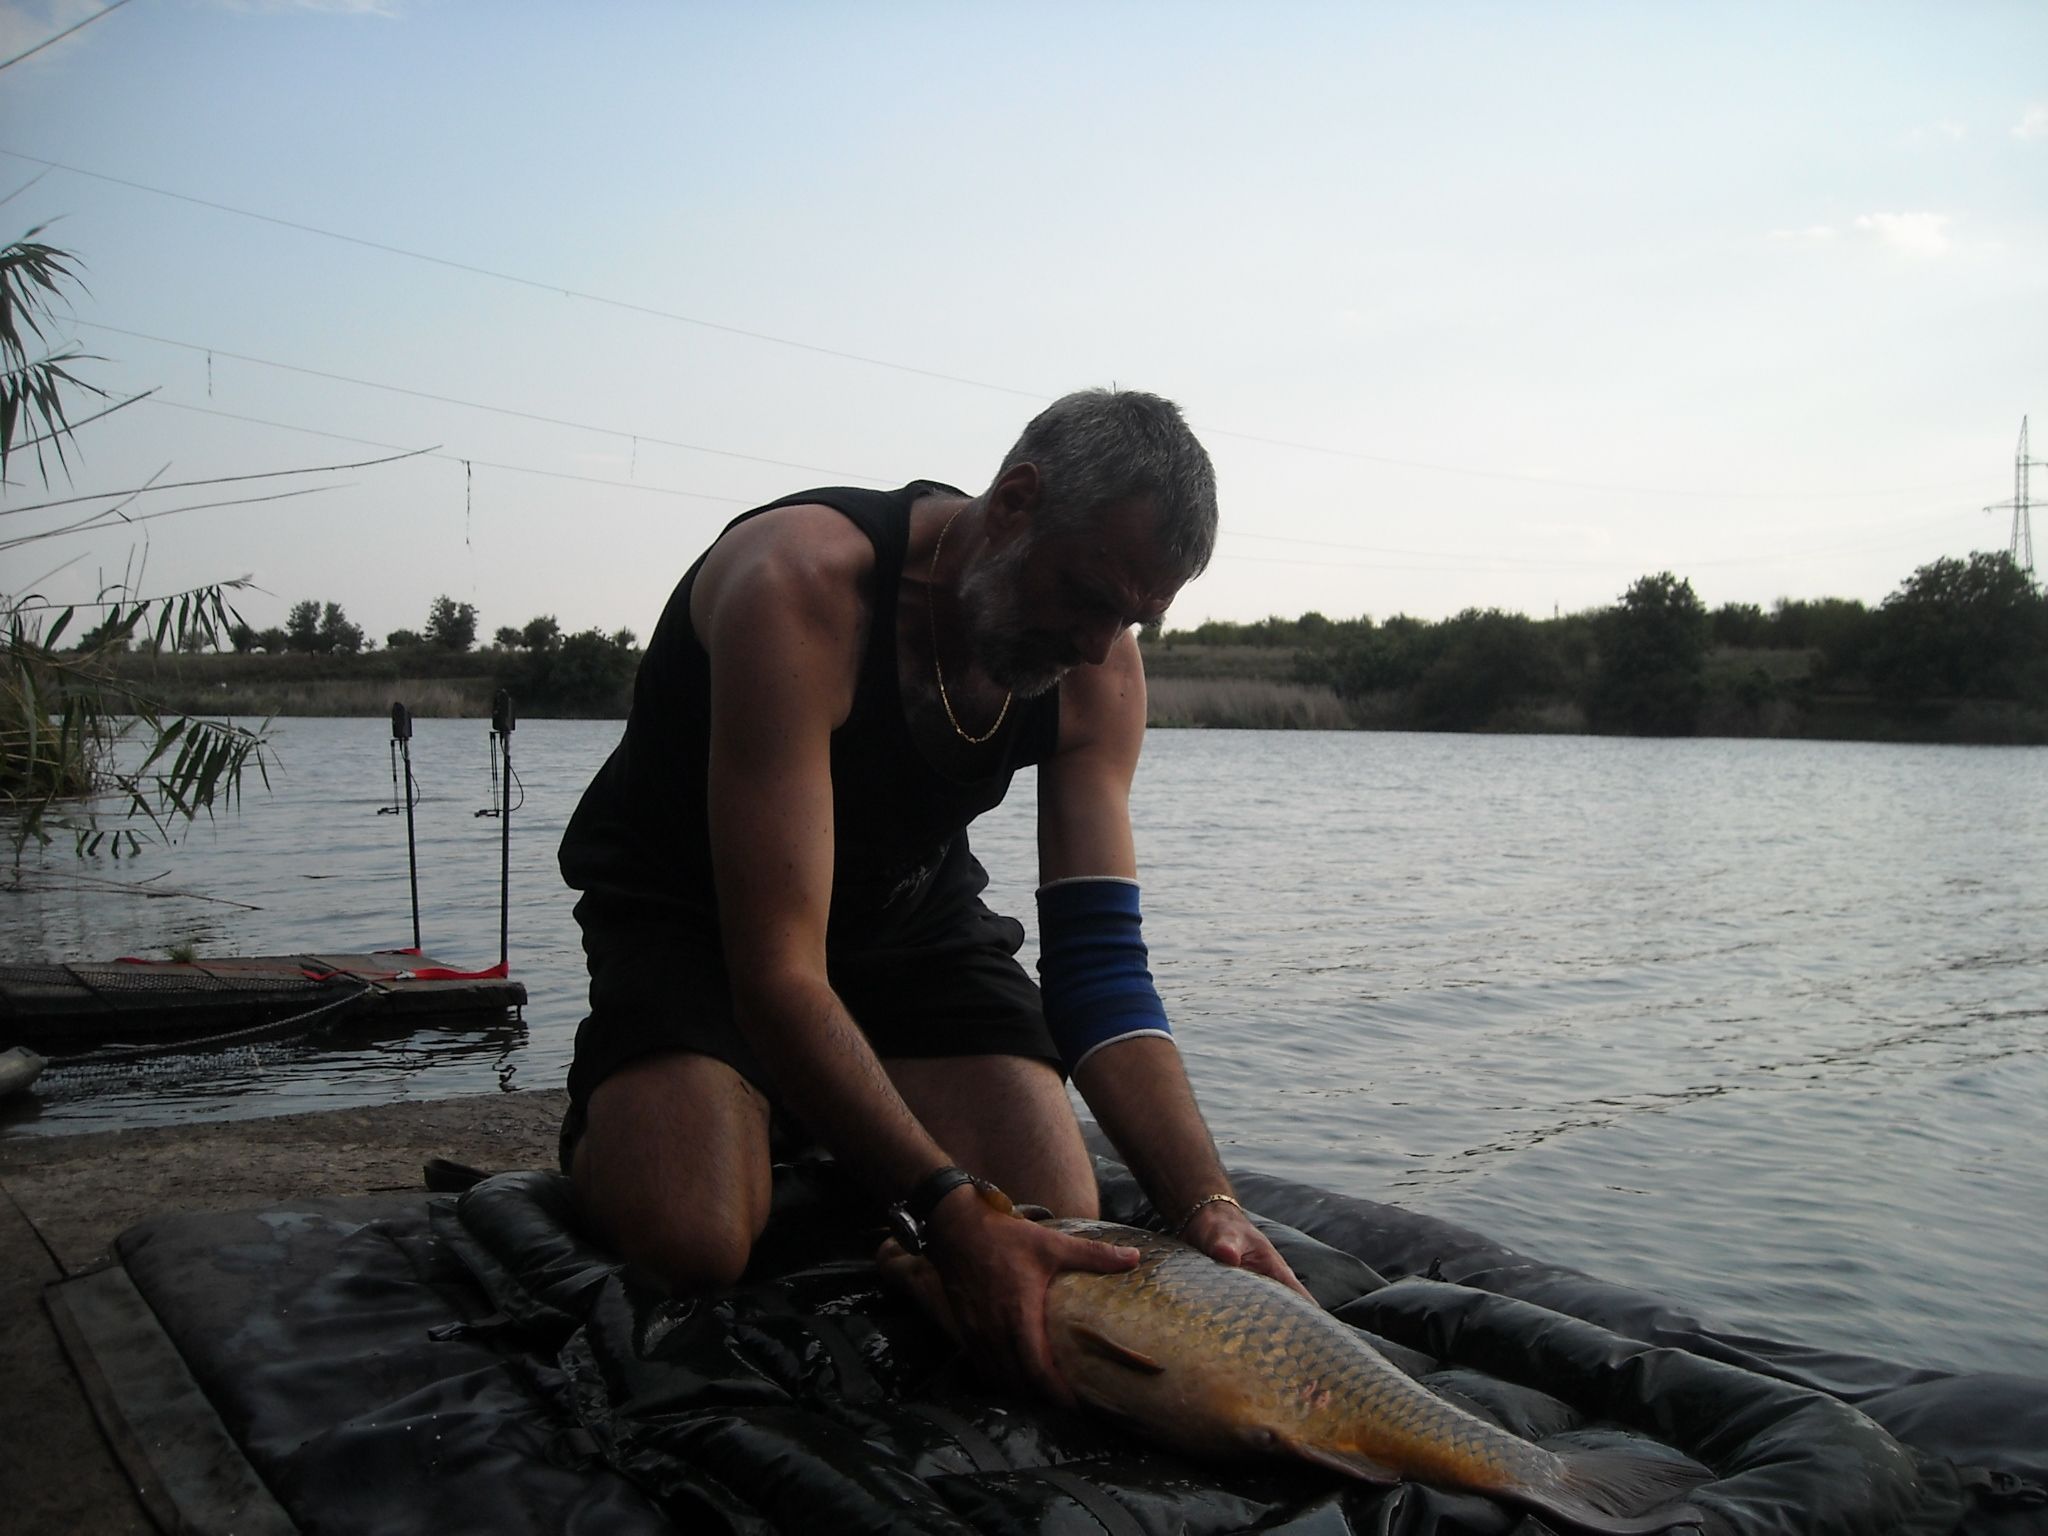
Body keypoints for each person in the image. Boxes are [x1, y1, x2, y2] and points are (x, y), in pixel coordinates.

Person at [556, 387, 1304, 1399]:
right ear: (1015, 502)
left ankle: (836, 1127)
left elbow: (1098, 972)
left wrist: (1207, 1205)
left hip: (904, 912)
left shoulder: (1098, 671)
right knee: (695, 1241)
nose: (1095, 646)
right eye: (1086, 596)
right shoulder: (801, 586)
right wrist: (948, 1208)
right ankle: (641, 1109)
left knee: (1056, 1218)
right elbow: (776, 973)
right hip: (699, 918)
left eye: (1132, 618)